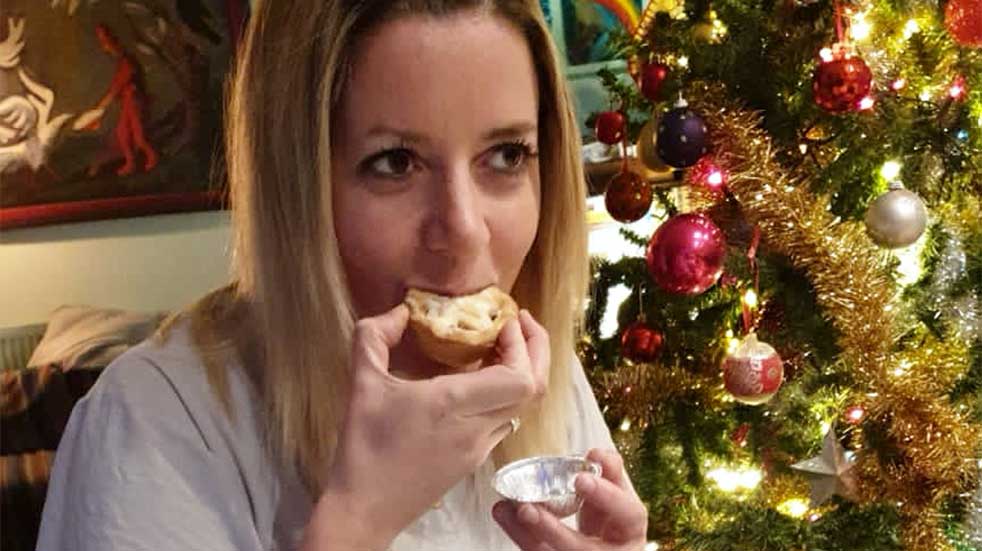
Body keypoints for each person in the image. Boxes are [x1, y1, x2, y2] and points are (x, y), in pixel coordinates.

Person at [36, 1, 649, 550]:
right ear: (297, 190)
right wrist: (357, 520)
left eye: (507, 155)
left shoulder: (542, 374)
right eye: (395, 162)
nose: (464, 228)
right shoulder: (153, 422)